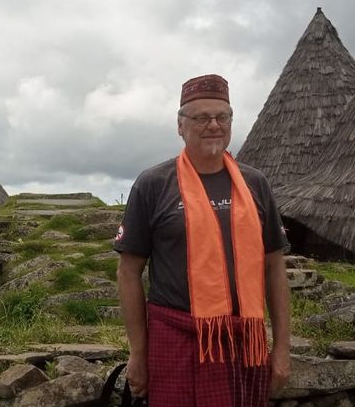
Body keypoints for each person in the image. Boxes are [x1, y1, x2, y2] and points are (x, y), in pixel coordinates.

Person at [115, 74, 291, 406]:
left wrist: (281, 348)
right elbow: (128, 272)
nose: (213, 125)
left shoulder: (255, 184)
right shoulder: (153, 184)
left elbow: (273, 267)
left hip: (244, 341)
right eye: (201, 117)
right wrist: (138, 353)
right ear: (180, 126)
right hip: (175, 337)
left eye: (222, 117)